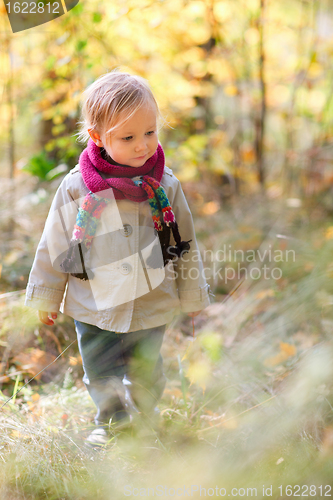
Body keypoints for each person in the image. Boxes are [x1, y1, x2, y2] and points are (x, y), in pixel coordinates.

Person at [25, 70, 211, 446]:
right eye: (128, 137)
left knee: (147, 369)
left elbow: (184, 242)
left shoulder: (165, 186)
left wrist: (193, 297)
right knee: (100, 368)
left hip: (150, 299)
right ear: (97, 136)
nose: (143, 145)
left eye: (150, 133)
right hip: (95, 301)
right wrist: (45, 295)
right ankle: (110, 423)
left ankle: (143, 421)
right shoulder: (76, 186)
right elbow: (54, 243)